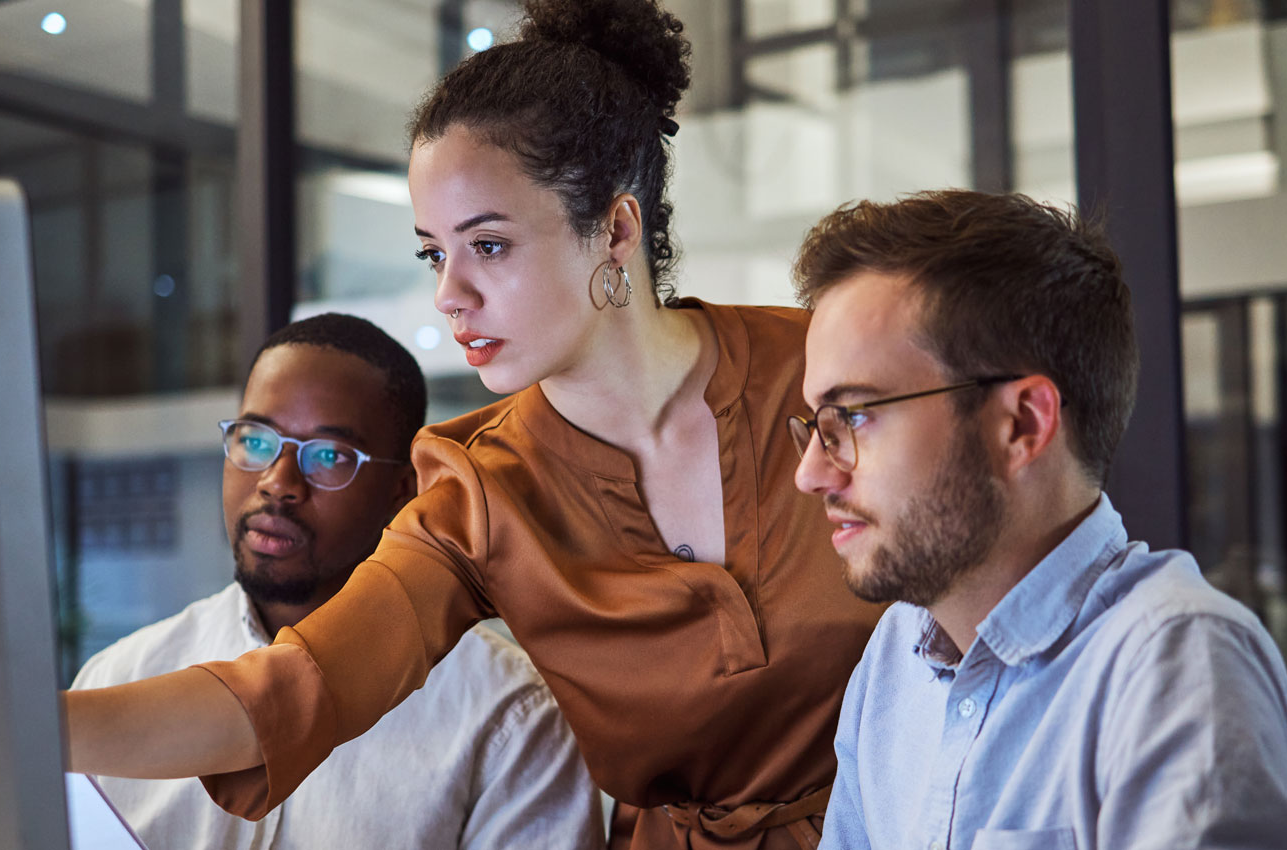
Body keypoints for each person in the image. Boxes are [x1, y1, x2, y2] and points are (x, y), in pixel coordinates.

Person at [62, 2, 887, 848]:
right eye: (433, 252)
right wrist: (25, 725)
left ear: (615, 227)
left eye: (486, 245)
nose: (448, 294)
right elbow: (288, 693)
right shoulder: (478, 491)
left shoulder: (826, 373)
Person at [788, 191, 1287, 850]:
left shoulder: (1174, 667)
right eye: (815, 425)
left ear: (1022, 424)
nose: (811, 474)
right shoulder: (894, 658)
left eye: (852, 418)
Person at [69, 314, 603, 849]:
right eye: (256, 440)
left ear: (403, 489)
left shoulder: (510, 714)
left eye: (328, 456)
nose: (278, 483)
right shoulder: (118, 677)